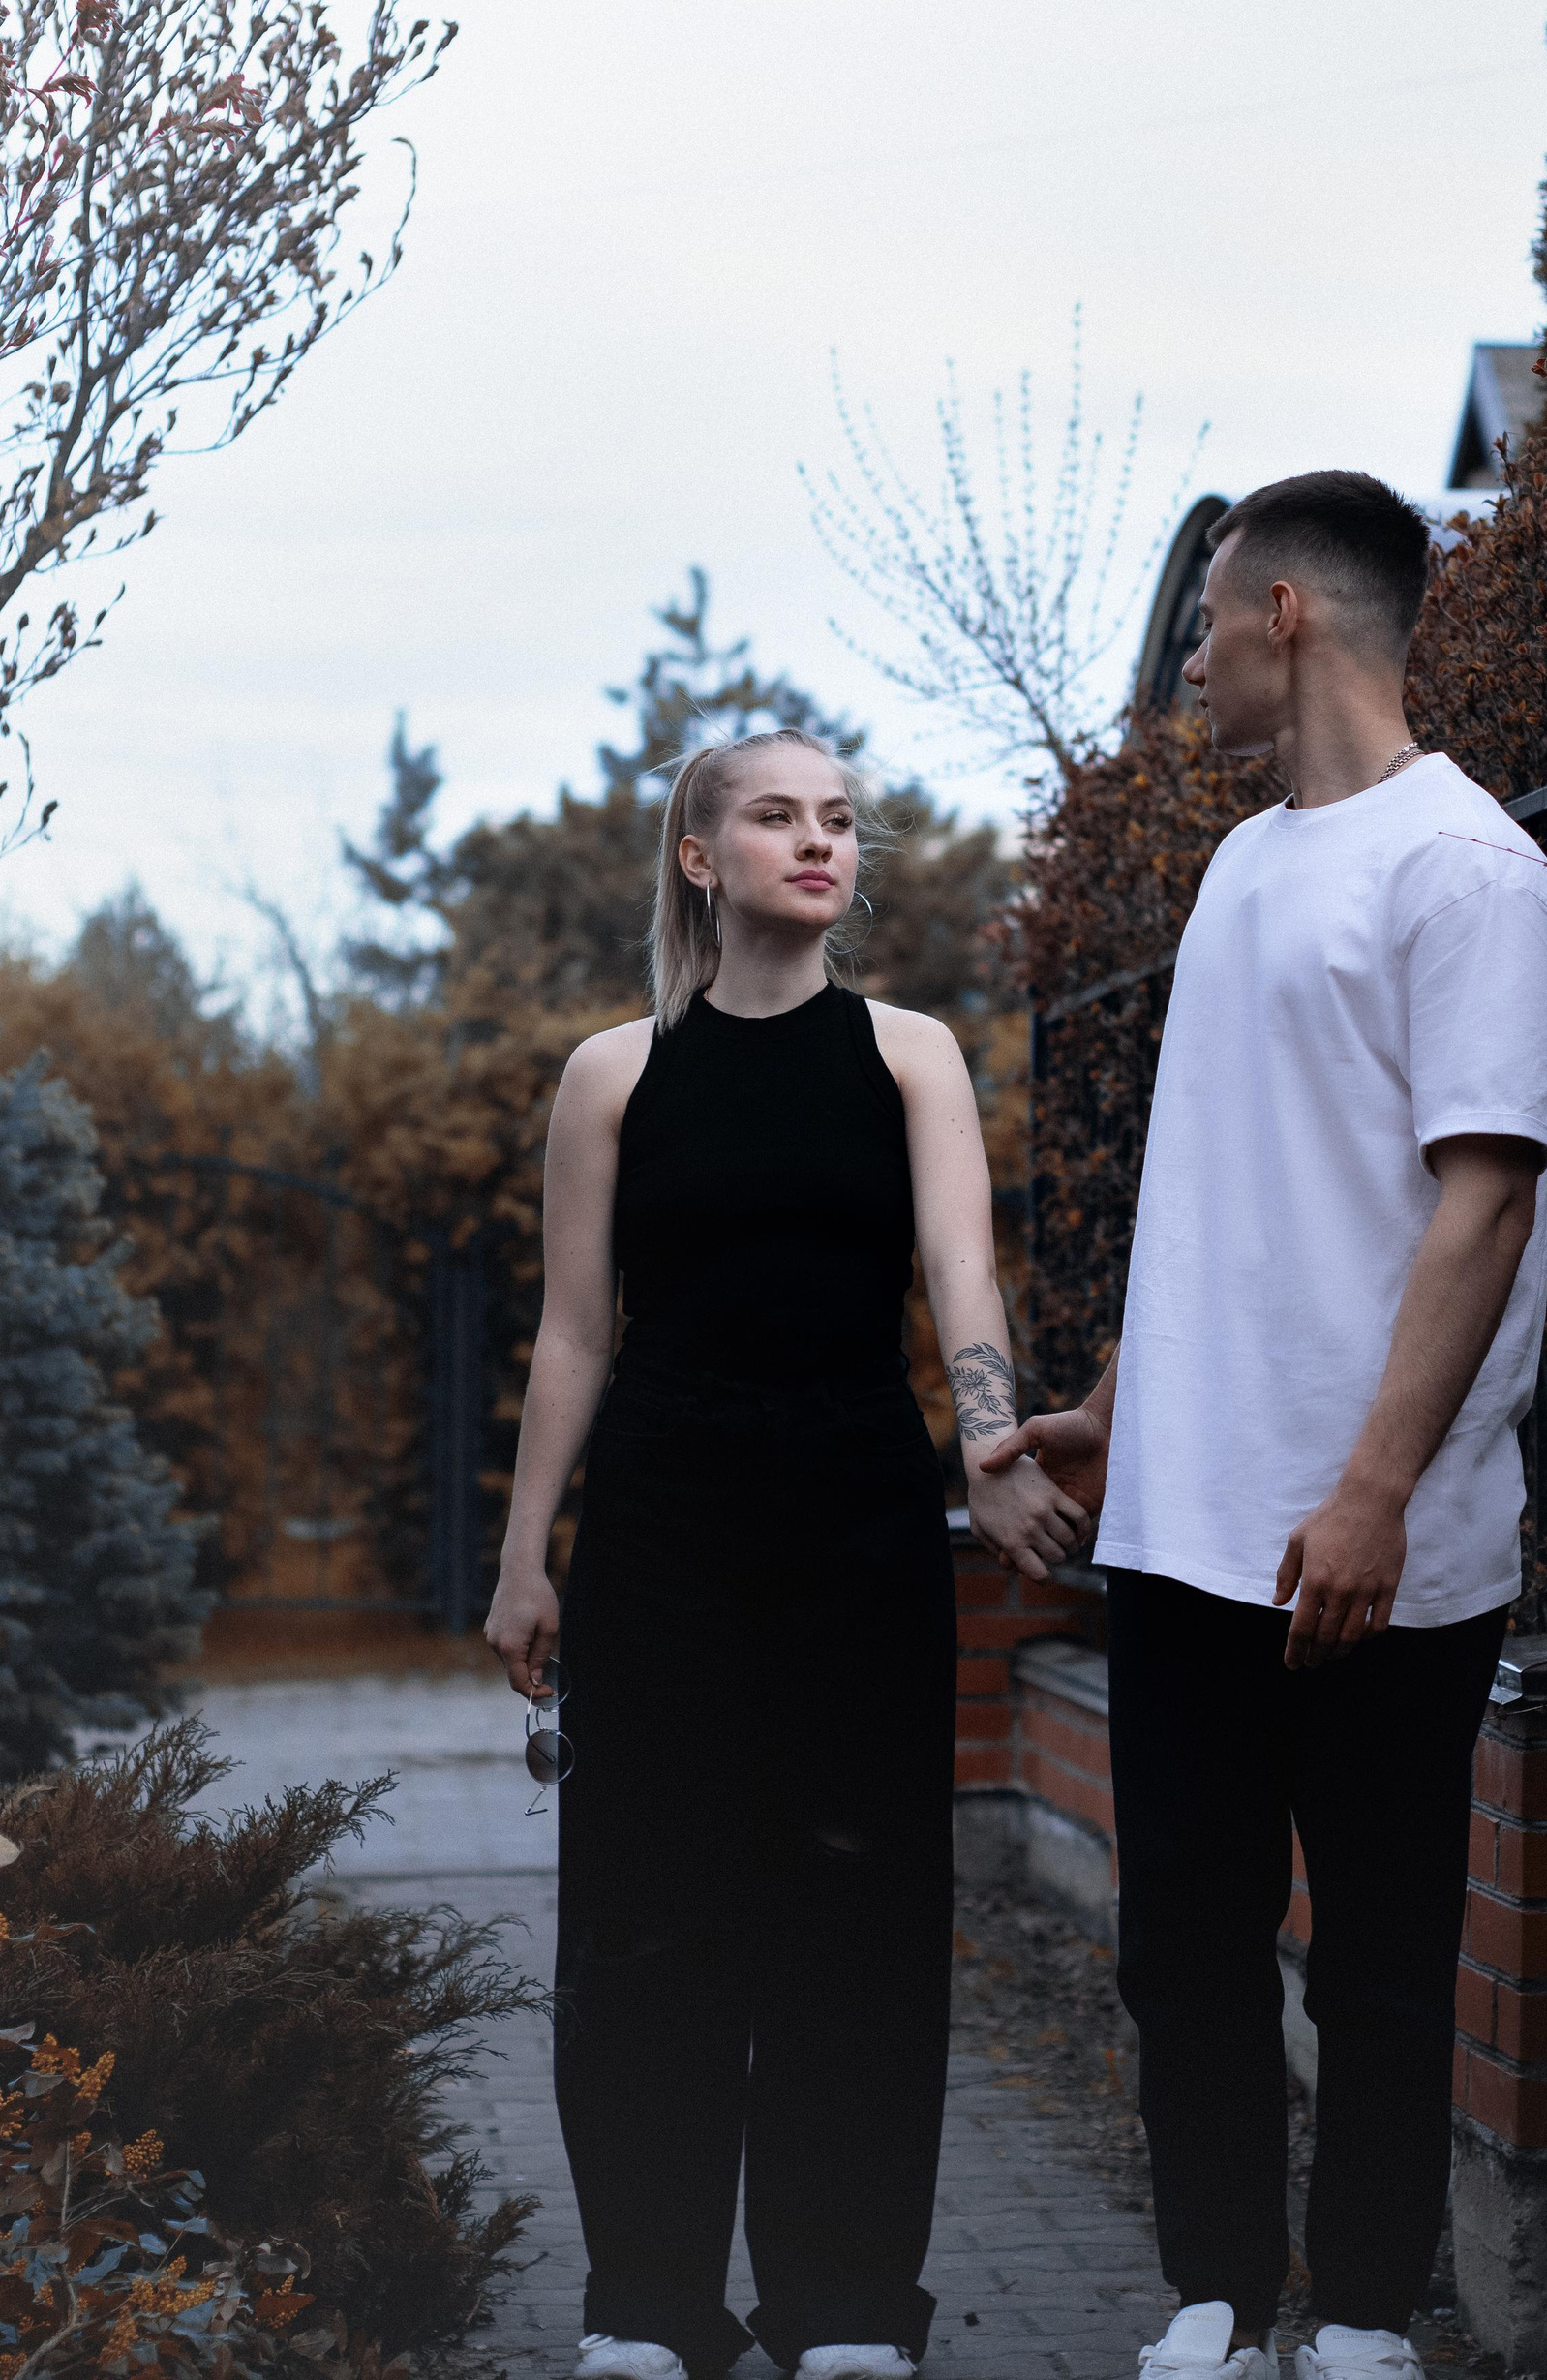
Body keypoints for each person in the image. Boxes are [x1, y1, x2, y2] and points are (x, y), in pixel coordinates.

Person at [984, 473, 1547, 2380]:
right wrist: (1117, 1408)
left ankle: (1371, 2315)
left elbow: (1484, 1202)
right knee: (1184, 1948)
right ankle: (1220, 2298)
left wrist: (1376, 1490)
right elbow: (1222, 1191)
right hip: (1182, 1527)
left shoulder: (1468, 870)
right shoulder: (1242, 867)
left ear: (1291, 614)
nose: (1192, 659)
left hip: (1379, 1542)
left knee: (1383, 1956)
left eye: (1207, 621)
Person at [483, 726, 1084, 2380]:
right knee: (646, 1912)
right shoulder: (614, 1074)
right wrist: (526, 1557)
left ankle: (845, 2310)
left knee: (859, 1904)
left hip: (857, 1515)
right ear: (701, 858)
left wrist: (990, 1453)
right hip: (661, 1526)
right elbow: (573, 1333)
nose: (819, 842)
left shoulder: (911, 1056)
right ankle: (646, 2306)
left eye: (837, 820)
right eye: (776, 817)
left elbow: (961, 1277)